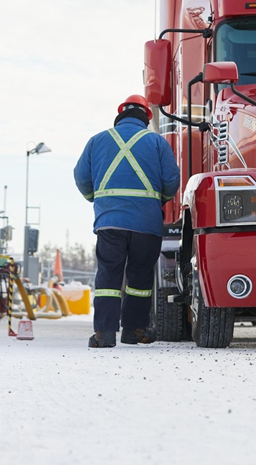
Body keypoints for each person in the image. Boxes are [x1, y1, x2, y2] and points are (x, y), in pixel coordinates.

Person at [74, 94, 180, 348]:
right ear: (146, 117)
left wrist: (97, 199)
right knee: (140, 279)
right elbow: (171, 180)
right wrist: (158, 201)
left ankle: (104, 334)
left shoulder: (97, 140)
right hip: (146, 223)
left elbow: (81, 178)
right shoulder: (157, 142)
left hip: (109, 222)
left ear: (120, 114)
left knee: (108, 276)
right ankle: (134, 331)